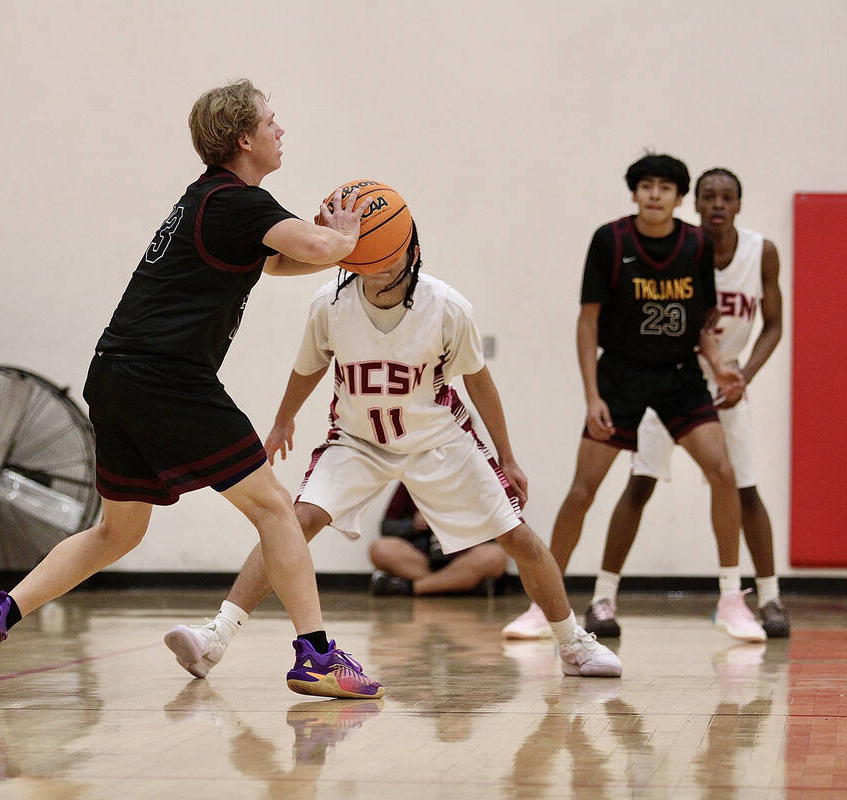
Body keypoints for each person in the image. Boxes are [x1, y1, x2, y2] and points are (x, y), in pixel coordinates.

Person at [0, 79, 384, 701]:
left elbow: (282, 261)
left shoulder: (209, 203)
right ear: (243, 139)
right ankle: (316, 657)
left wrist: (342, 252)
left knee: (117, 533)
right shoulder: (237, 201)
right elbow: (309, 244)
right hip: (166, 376)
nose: (282, 130)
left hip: (115, 374)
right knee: (276, 508)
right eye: (272, 122)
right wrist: (344, 238)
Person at [163, 219, 623, 680]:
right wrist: (283, 421)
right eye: (368, 249)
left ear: (413, 253)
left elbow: (479, 381)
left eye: (390, 251)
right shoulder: (330, 302)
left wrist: (507, 455)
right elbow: (310, 366)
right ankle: (216, 637)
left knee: (516, 537)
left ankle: (573, 643)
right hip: (357, 439)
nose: (379, 261)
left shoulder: (446, 306)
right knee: (293, 521)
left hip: (439, 440)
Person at [502, 153, 767, 643]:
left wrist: (720, 367)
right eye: (646, 185)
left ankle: (731, 598)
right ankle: (545, 606)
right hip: (620, 374)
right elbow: (588, 322)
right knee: (583, 488)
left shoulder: (695, 244)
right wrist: (592, 396)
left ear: (679, 198)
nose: (654, 194)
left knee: (724, 472)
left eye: (665, 187)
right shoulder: (610, 240)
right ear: (634, 192)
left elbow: (701, 327)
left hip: (680, 375)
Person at [582, 168, 787, 638]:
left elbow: (774, 324)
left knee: (744, 486)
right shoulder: (684, 248)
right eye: (708, 196)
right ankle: (602, 597)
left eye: (727, 197)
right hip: (674, 373)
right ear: (694, 204)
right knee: (640, 483)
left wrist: (741, 377)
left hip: (728, 379)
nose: (717, 204)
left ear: (739, 204)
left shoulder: (761, 252)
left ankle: (769, 597)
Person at [369, 483, 507, 596]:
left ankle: (413, 587)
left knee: (495, 556)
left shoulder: (475, 479)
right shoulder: (411, 478)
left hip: (463, 558)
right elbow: (386, 526)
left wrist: (464, 523)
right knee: (379, 549)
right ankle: (461, 586)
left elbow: (496, 529)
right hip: (422, 557)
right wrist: (414, 525)